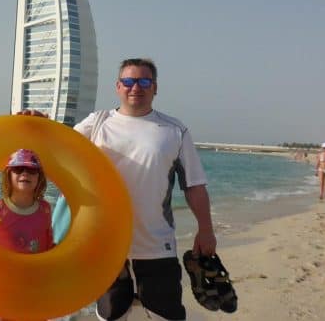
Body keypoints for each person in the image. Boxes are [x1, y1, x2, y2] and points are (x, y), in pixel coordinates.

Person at [22, 57, 216, 321]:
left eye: (144, 81)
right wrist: (40, 125)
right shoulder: (97, 122)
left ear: (155, 87)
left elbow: (194, 185)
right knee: (111, 316)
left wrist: (206, 229)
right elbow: (59, 149)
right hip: (106, 248)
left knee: (168, 316)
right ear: (118, 86)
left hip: (156, 246)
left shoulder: (174, 130)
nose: (135, 87)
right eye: (128, 81)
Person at [0, 148, 55, 321]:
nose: (25, 173)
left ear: (39, 177)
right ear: (8, 175)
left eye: (31, 170)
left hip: (33, 287)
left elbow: (47, 247)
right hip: (1, 288)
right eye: (18, 169)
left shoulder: (44, 209)